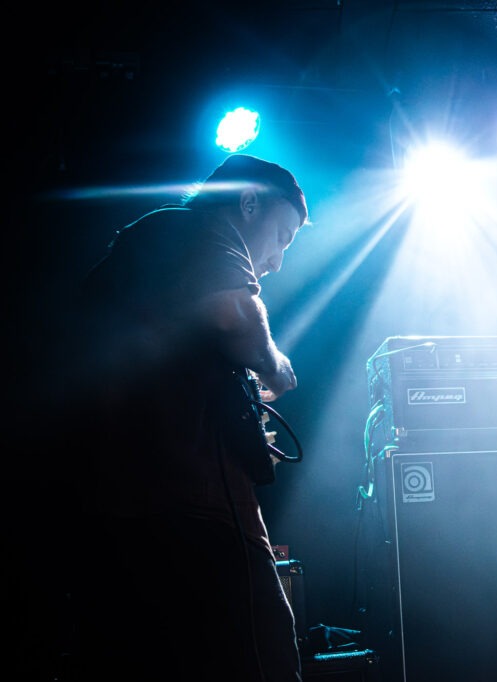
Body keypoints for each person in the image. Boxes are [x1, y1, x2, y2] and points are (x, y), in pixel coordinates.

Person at [65, 154, 309, 681]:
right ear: (249, 203)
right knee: (262, 656)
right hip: (193, 516)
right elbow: (236, 314)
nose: (276, 262)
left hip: (128, 512)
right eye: (282, 237)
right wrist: (276, 366)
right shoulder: (197, 228)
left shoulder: (156, 245)